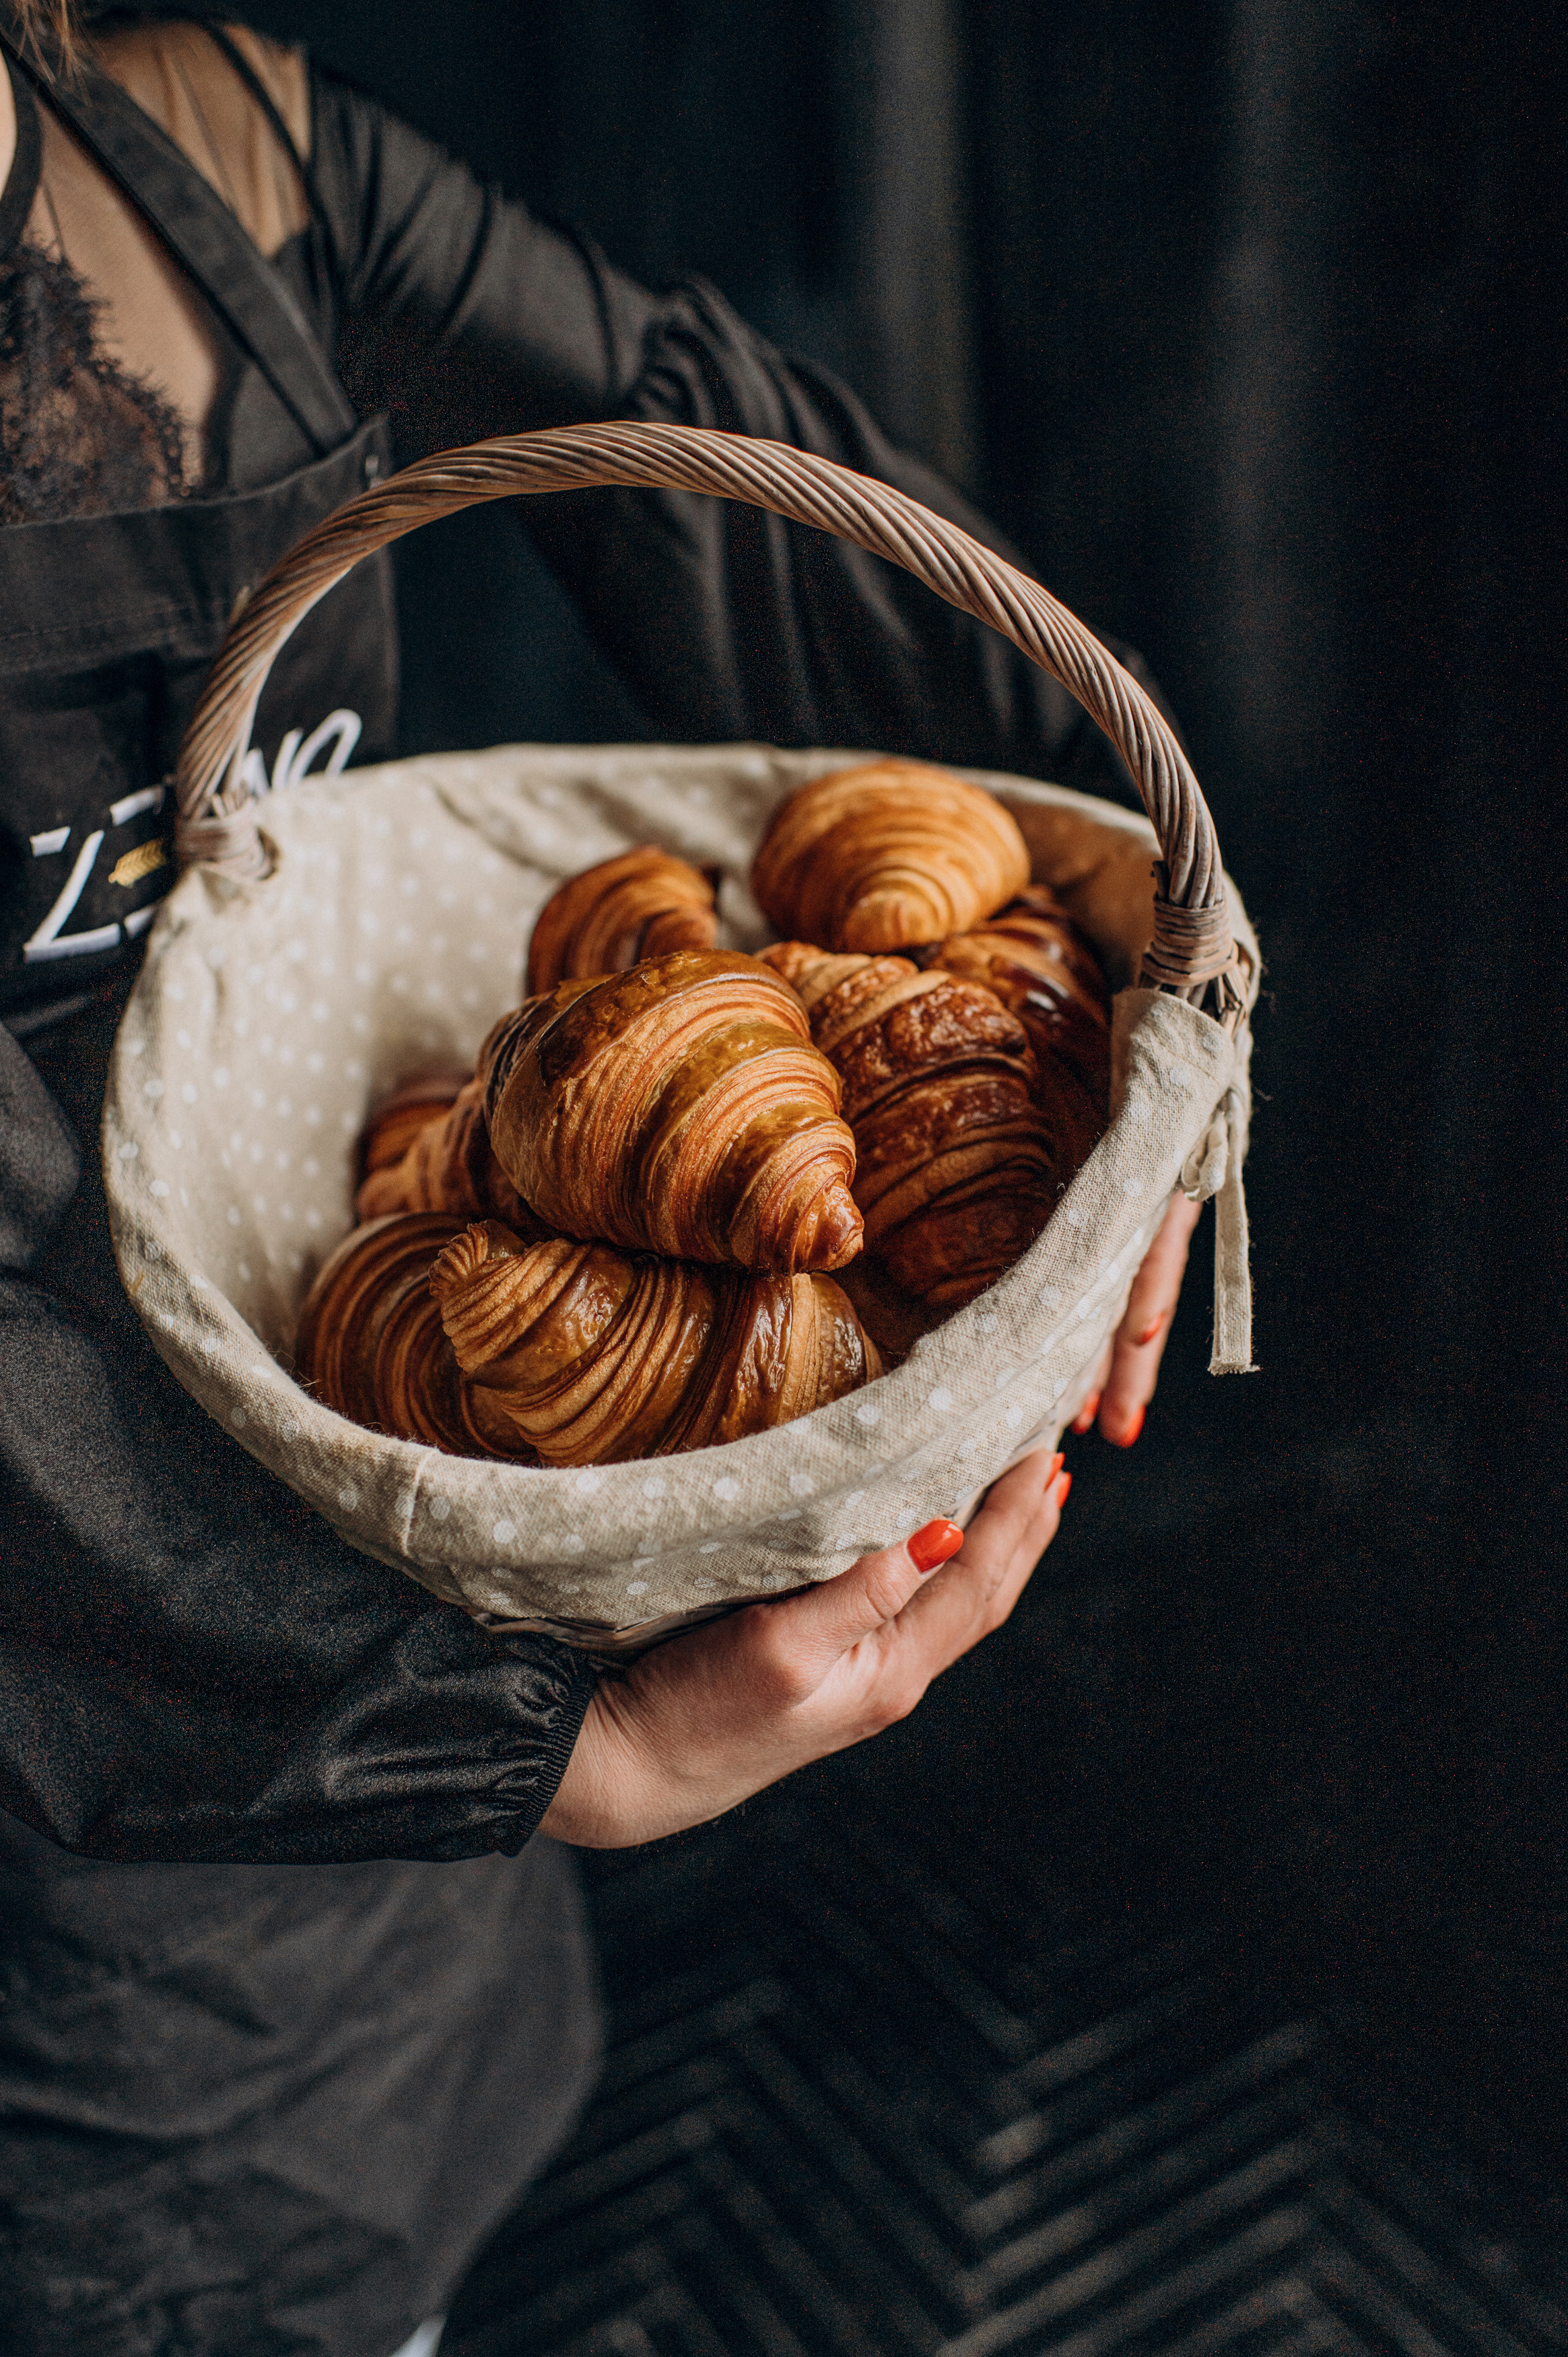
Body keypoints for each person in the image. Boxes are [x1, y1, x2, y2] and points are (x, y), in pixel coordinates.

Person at [0, 7, 1202, 2351]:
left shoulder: (208, 144)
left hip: (419, 1561)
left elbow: (712, 462)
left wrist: (1148, 1020)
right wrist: (548, 1745)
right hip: (109, 1764)